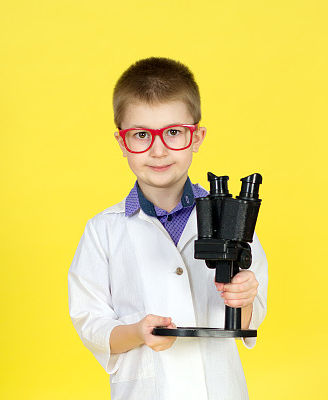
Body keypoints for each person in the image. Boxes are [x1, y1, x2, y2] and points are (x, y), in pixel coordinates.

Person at [68, 57, 268, 400]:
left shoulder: (233, 221)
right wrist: (137, 332)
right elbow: (91, 324)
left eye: (173, 132)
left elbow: (249, 321)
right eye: (141, 134)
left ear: (196, 137)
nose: (158, 150)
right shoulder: (102, 231)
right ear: (121, 142)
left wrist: (244, 297)